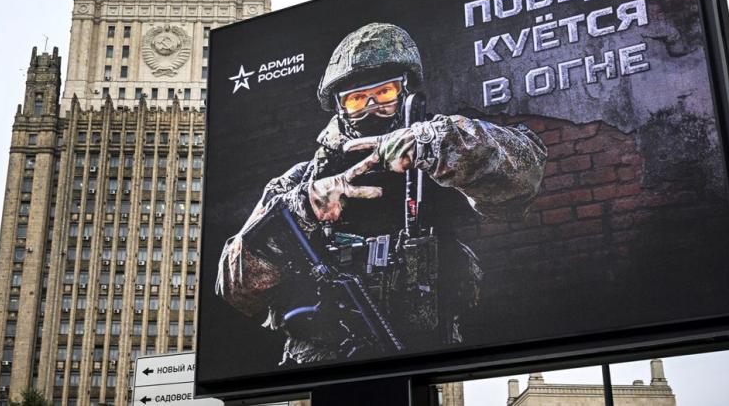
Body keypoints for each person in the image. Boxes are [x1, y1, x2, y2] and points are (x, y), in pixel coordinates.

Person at [216, 22, 547, 364]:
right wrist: (303, 209)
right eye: (357, 99)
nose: (372, 107)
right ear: (340, 107)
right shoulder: (300, 182)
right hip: (324, 367)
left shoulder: (439, 155)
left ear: (405, 92)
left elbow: (525, 177)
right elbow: (234, 288)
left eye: (385, 93)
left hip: (425, 359)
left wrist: (440, 145)